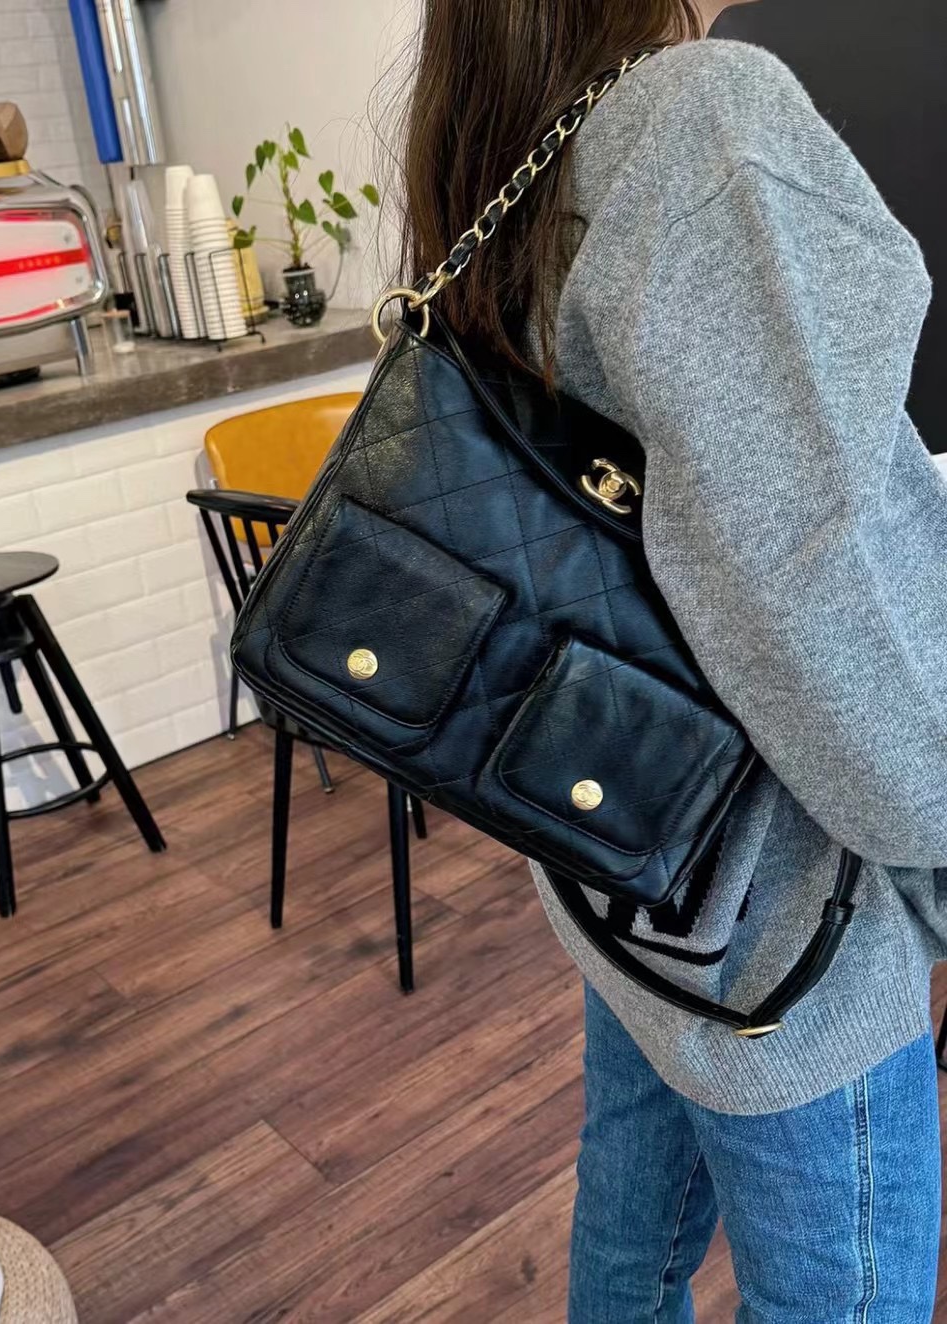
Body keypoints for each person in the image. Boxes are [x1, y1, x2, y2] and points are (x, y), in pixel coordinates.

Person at [398, 1, 946, 1320]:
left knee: (630, 1242)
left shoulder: (526, 139)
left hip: (626, 854)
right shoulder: (699, 116)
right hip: (783, 919)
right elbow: (811, 583)